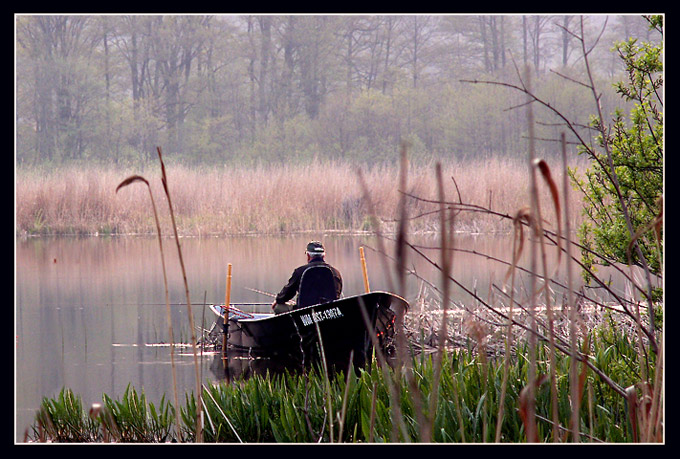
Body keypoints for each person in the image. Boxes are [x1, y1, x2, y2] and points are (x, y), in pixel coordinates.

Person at [271, 241, 342, 314]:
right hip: (329, 312)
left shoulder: (299, 271)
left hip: (303, 312)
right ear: (323, 256)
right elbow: (336, 296)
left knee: (277, 307)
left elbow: (287, 294)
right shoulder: (335, 273)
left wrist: (278, 300)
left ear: (308, 256)